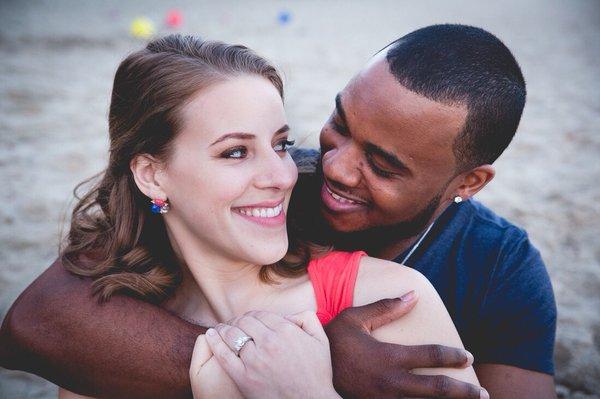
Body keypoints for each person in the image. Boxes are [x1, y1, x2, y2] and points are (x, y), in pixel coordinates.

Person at [0, 24, 556, 398]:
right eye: (339, 126)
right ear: (152, 173)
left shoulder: (497, 269)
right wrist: (287, 366)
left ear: (469, 182)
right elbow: (39, 320)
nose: (328, 169)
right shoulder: (265, 189)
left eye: (383, 166)